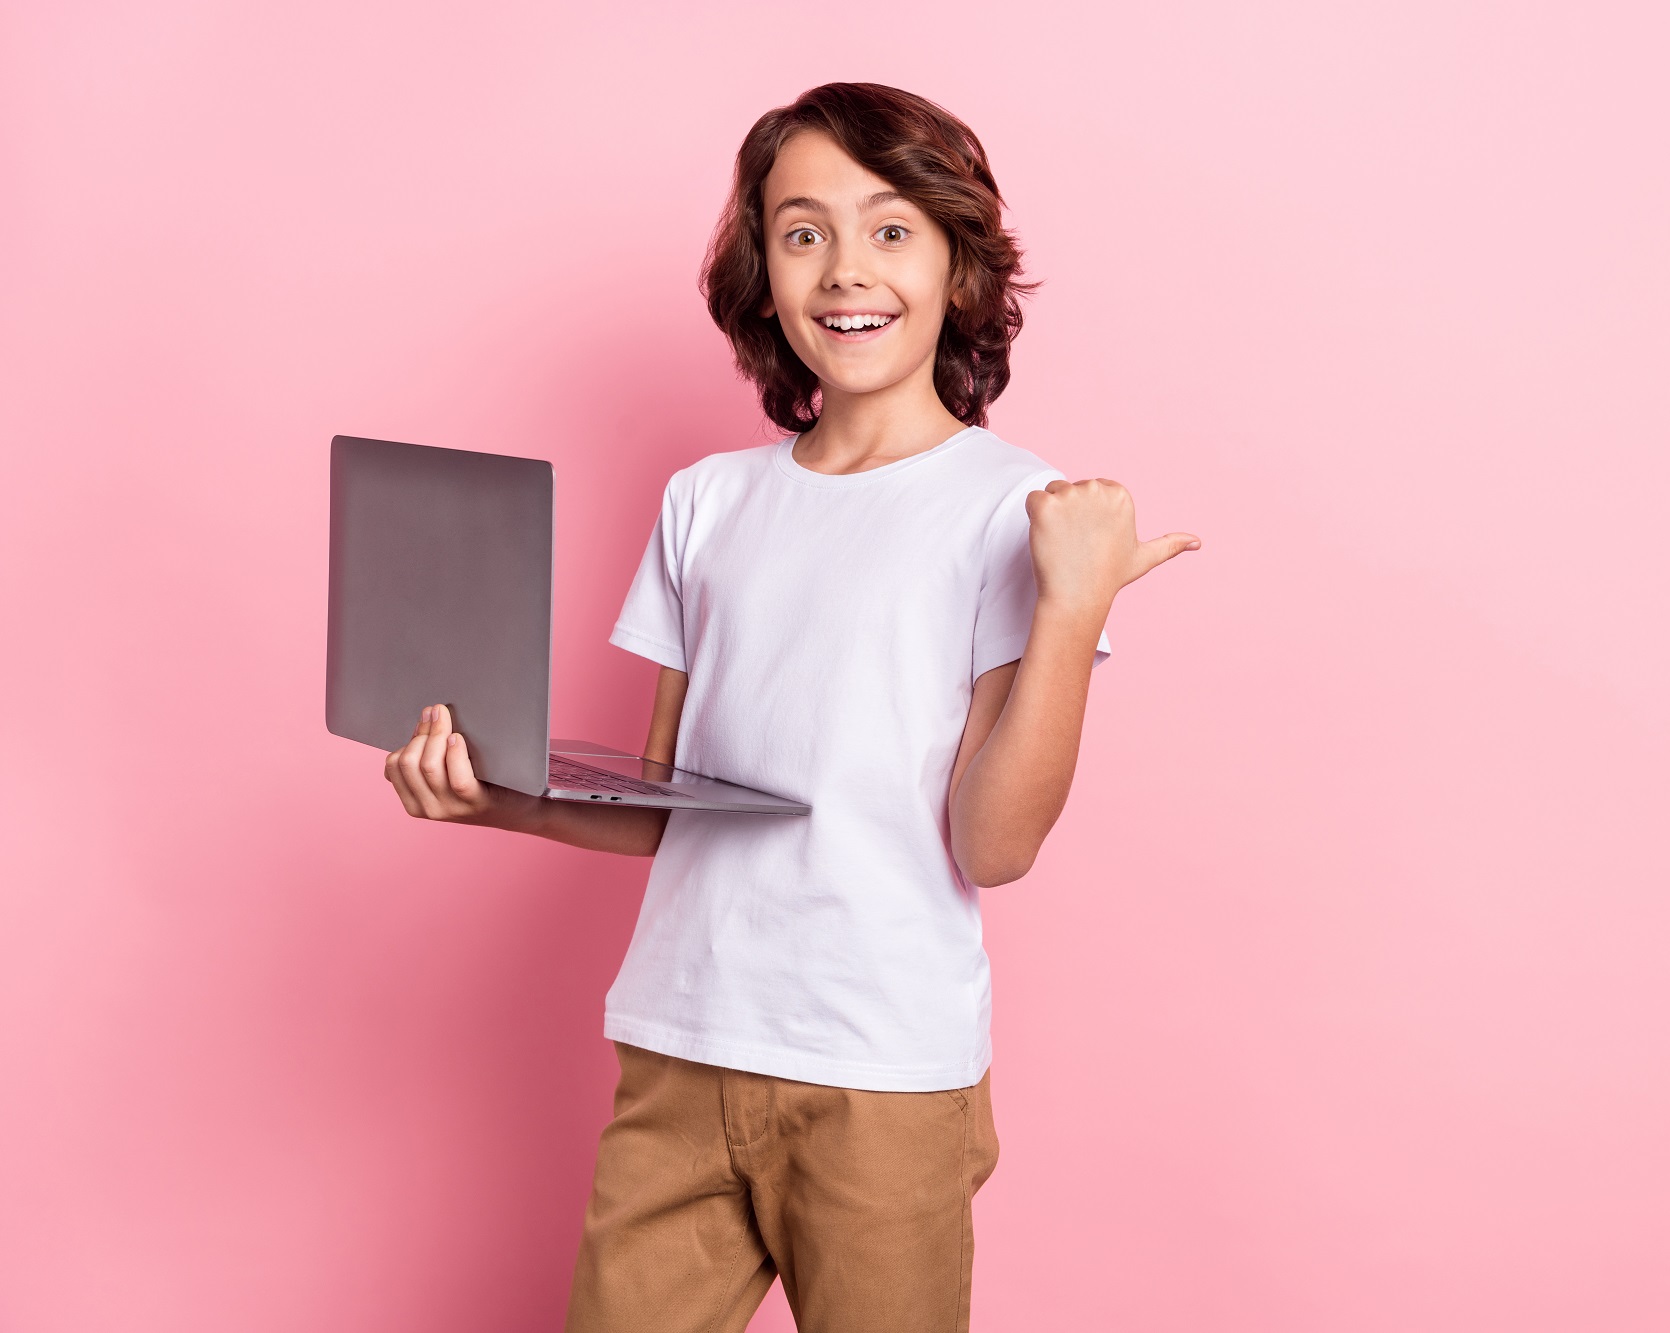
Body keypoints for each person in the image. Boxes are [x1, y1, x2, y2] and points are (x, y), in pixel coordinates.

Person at [381, 82, 1198, 1333]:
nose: (842, 270)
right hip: (678, 1043)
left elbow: (994, 845)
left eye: (889, 228)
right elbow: (664, 804)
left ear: (958, 265)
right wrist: (492, 797)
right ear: (759, 268)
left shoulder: (1010, 510)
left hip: (879, 1077)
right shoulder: (706, 500)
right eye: (800, 230)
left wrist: (1070, 609)